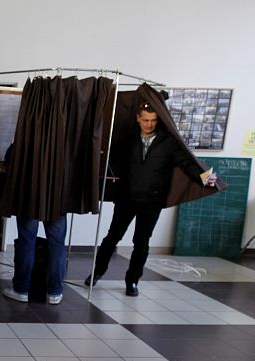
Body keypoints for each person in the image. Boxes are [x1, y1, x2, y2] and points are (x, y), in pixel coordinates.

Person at [86, 101, 217, 296]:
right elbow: (109, 156)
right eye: (146, 120)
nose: (150, 124)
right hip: (127, 198)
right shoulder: (128, 138)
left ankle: (132, 281)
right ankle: (97, 272)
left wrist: (203, 176)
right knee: (112, 236)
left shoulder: (168, 142)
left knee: (141, 242)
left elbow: (186, 163)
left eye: (153, 120)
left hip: (152, 201)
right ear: (138, 119)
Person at [2, 216, 67, 305]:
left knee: (26, 241)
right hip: (57, 207)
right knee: (57, 245)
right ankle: (54, 293)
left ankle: (21, 290)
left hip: (30, 207)